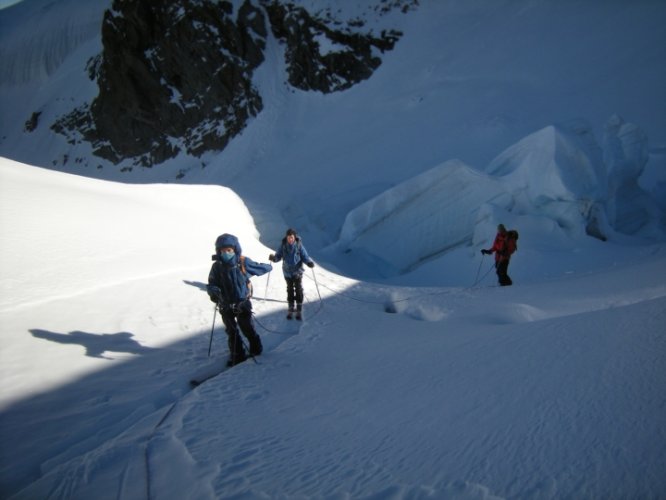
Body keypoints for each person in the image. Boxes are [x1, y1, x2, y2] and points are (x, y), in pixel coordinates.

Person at [207, 233, 272, 366]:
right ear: (218, 251)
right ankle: (237, 356)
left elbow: (262, 267)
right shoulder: (217, 267)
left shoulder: (243, 262)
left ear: (235, 249)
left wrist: (267, 266)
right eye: (222, 250)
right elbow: (212, 283)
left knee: (246, 327)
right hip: (225, 304)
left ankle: (256, 348)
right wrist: (213, 292)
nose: (226, 253)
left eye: (229, 250)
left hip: (242, 303)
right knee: (231, 331)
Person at [269, 228, 315, 320]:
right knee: (289, 289)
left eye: (292, 237)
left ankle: (298, 307)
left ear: (294, 237)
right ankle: (291, 306)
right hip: (287, 271)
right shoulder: (283, 246)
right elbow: (278, 255)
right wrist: (274, 258)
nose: (290, 239)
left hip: (297, 271)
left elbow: (304, 256)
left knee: (298, 289)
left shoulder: (299, 246)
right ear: (286, 237)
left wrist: (309, 262)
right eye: (289, 237)